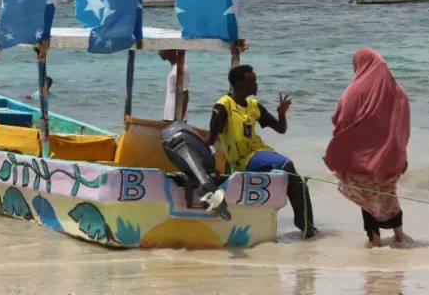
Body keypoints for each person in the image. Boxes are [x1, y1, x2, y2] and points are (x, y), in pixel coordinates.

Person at [206, 64, 316, 238]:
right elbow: (211, 139)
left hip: (259, 151)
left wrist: (281, 113)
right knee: (287, 164)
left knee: (300, 183)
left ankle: (309, 226)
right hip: (242, 159)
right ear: (239, 83)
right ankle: (300, 221)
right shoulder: (223, 106)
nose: (256, 84)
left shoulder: (254, 105)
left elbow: (280, 129)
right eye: (252, 81)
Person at [324, 49, 411, 247]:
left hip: (363, 158)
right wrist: (400, 154)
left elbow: (341, 120)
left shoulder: (354, 91)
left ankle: (376, 242)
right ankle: (400, 237)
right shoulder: (398, 92)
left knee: (367, 199)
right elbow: (402, 126)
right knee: (389, 196)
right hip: (391, 157)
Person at [160, 50, 191, 122]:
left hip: (175, 118)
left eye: (162, 48)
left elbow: (185, 95)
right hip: (169, 116)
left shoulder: (180, 69)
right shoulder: (174, 68)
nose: (159, 52)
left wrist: (179, 120)